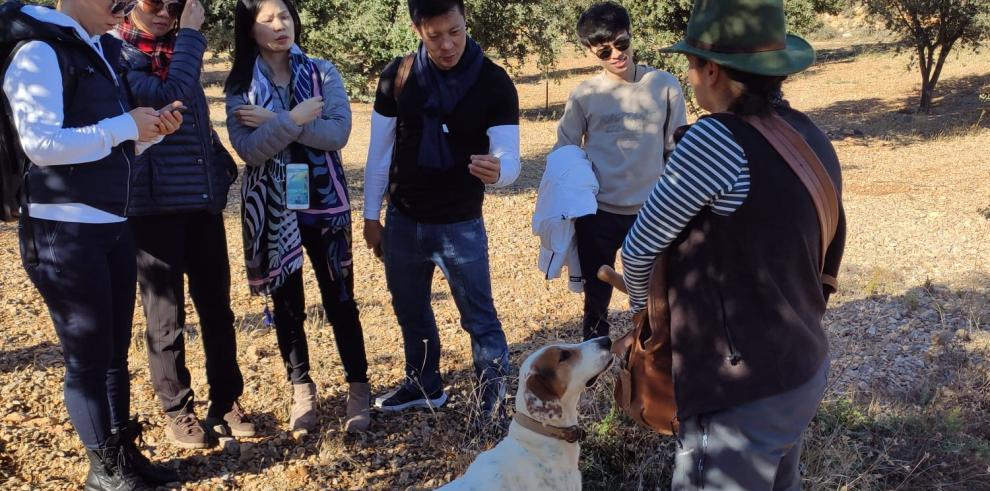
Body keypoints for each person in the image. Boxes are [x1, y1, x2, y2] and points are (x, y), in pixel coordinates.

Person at [615, 0, 847, 488]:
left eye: (693, 64)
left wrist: (645, 321)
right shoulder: (807, 133)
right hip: (798, 370)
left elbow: (638, 250)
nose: (690, 76)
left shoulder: (714, 140)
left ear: (713, 70)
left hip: (739, 395)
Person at [1, 0, 183, 488]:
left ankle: (121, 454)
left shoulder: (100, 50)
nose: (126, 6)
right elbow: (40, 144)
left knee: (113, 351)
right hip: (64, 229)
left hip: (111, 224)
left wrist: (148, 132)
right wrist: (125, 126)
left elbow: (104, 138)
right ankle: (104, 472)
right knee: (87, 356)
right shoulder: (39, 51)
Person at [363, 0, 521, 423]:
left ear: (465, 21)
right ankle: (423, 384)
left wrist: (499, 171)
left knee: (480, 317)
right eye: (435, 36)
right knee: (410, 308)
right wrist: (370, 216)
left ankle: (491, 399)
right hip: (403, 219)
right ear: (418, 29)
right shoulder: (397, 77)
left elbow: (510, 157)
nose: (448, 44)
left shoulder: (493, 81)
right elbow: (379, 155)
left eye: (455, 31)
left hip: (460, 223)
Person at [224, 0, 371, 434]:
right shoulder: (239, 86)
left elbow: (337, 134)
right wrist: (294, 118)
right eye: (266, 19)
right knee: (288, 305)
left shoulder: (323, 72)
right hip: (273, 209)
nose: (278, 25)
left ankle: (358, 387)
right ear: (249, 30)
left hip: (325, 205)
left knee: (340, 299)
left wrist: (275, 121)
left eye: (284, 15)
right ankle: (301, 387)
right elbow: (250, 151)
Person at [114, 0, 254, 449]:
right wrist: (192, 36)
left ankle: (226, 401)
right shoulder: (117, 55)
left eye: (176, 5)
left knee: (217, 308)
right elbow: (164, 92)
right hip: (152, 206)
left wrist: (220, 168)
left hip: (200, 201)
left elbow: (194, 119)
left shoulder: (179, 48)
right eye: (155, 3)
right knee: (165, 315)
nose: (165, 13)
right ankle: (177, 409)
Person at [553, 1, 686, 341]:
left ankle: (650, 361)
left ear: (631, 35)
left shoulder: (665, 85)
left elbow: (676, 150)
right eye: (604, 50)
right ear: (589, 50)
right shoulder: (584, 95)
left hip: (651, 212)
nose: (616, 54)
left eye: (622, 43)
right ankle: (593, 367)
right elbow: (565, 153)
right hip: (598, 214)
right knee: (596, 301)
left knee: (655, 298)